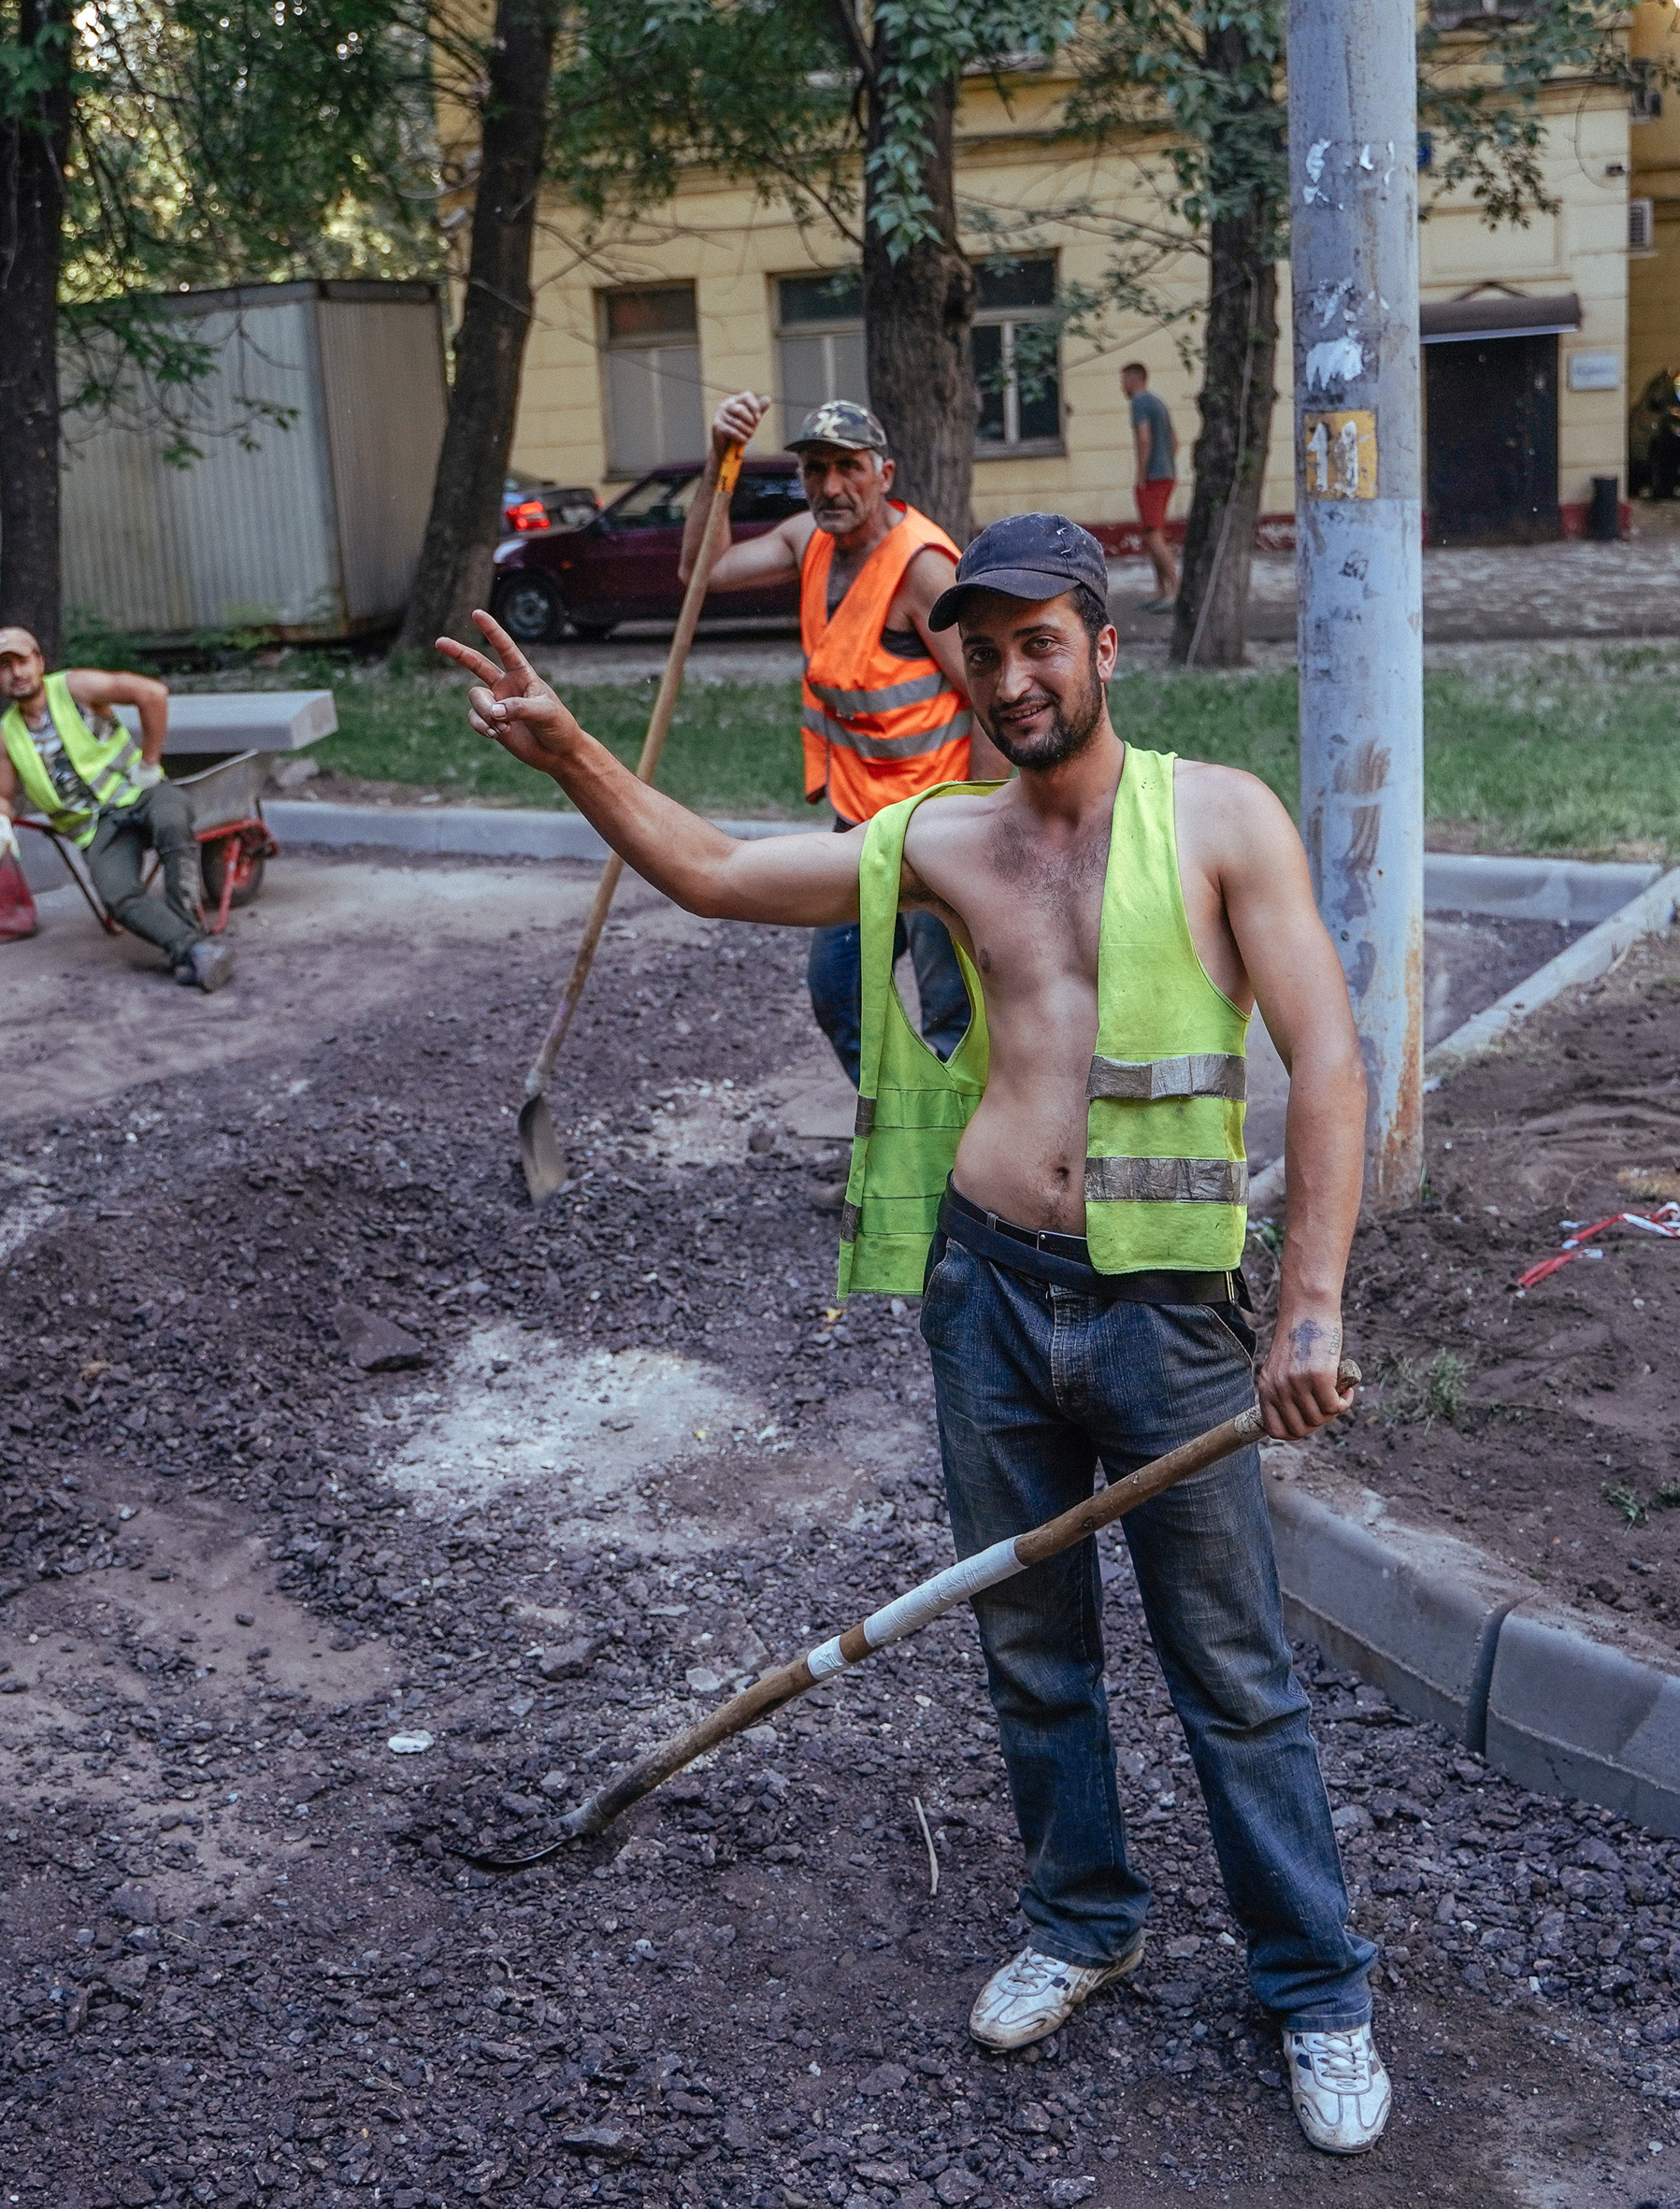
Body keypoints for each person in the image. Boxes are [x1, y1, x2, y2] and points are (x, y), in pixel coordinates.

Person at [433, 512, 1390, 2159]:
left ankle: (1316, 1988)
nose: (1011, 673)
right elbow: (718, 869)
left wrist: (1308, 1303)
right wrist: (570, 745)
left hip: (1170, 1317)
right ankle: (1086, 1919)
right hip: (992, 1299)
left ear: (1101, 645)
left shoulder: (1222, 818)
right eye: (982, 646)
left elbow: (1331, 1059)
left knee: (1232, 1669)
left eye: (1040, 641)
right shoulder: (945, 841)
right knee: (1031, 1648)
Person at [678, 395, 1008, 1083]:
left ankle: (947, 1178)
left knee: (949, 1017)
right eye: (816, 470)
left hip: (936, 826)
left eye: (849, 468)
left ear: (883, 472)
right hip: (859, 825)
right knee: (839, 994)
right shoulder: (809, 541)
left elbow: (991, 701)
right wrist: (718, 462)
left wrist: (982, 820)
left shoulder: (922, 570)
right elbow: (701, 574)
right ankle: (893, 1143)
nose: (831, 487)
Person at [0, 627, 234, 993]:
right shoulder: (6, 735)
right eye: (5, 667)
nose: (16, 673)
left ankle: (190, 939)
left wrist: (149, 762)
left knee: (173, 822)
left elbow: (152, 693)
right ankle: (196, 949)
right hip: (96, 827)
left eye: (22, 661)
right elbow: (1, 793)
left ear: (39, 661)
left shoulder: (74, 688)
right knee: (117, 896)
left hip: (138, 793)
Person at [1122, 365, 1180, 612]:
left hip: (1153, 478)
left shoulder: (1139, 403)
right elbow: (1175, 441)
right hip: (1167, 474)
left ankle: (1175, 591)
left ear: (1134, 379)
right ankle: (1161, 590)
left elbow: (1144, 439)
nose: (1122, 385)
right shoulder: (1159, 402)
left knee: (1153, 535)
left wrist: (1142, 474)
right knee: (1151, 533)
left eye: (1123, 380)